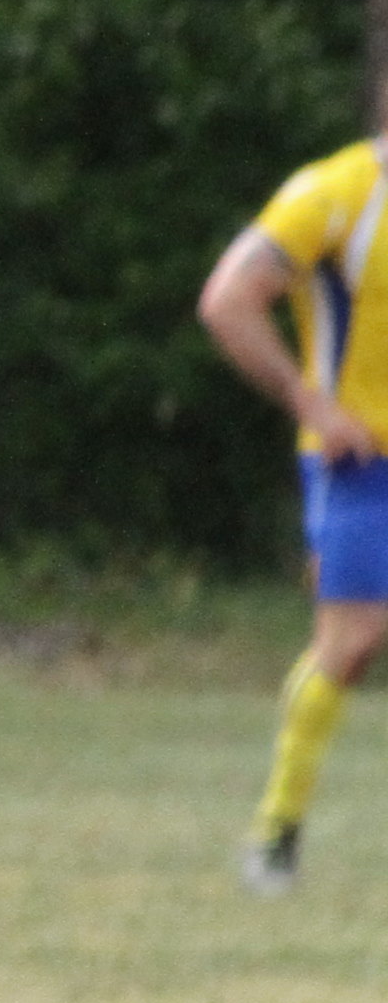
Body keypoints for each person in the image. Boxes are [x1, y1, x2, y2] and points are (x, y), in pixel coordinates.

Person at [191, 115, 388, 894]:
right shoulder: (337, 193)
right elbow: (228, 301)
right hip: (362, 461)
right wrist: (311, 403)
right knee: (354, 640)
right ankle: (276, 831)